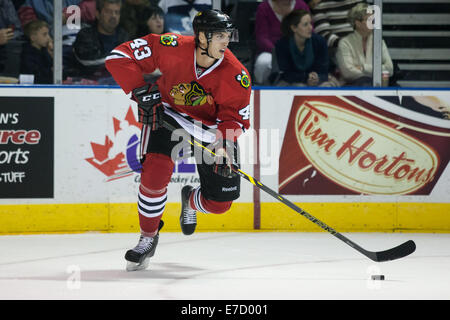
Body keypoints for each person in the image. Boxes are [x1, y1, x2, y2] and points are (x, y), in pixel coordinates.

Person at [105, 10, 251, 271]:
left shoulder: (236, 75)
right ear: (201, 37)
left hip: (209, 130)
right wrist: (139, 89)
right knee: (153, 175)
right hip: (168, 118)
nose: (225, 41)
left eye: (227, 35)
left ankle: (191, 200)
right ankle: (147, 238)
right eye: (219, 35)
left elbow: (235, 120)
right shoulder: (171, 46)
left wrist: (225, 144)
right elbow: (118, 57)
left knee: (219, 205)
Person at [335, 2, 393, 86]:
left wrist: (363, 68)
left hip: (376, 83)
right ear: (358, 23)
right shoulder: (345, 43)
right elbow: (348, 73)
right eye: (369, 20)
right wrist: (376, 72)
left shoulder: (378, 41)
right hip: (352, 87)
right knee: (365, 83)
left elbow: (389, 69)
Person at [273, 10, 336, 86]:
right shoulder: (282, 45)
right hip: (291, 81)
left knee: (327, 86)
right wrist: (306, 78)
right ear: (294, 28)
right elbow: (285, 73)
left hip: (318, 80)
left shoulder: (319, 41)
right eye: (305, 24)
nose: (310, 27)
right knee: (299, 87)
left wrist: (316, 77)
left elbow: (324, 70)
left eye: (310, 23)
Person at [254, 0, 311, 84]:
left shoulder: (301, 5)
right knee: (263, 62)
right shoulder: (264, 7)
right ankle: (264, 89)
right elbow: (262, 38)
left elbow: (310, 30)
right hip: (271, 51)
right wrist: (279, 51)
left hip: (298, 49)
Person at [70, 0, 128, 83]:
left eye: (117, 12)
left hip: (118, 88)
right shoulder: (85, 35)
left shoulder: (124, 36)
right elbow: (88, 61)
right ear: (97, 14)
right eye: (108, 12)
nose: (113, 16)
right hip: (89, 88)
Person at [20, 19, 53, 84]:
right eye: (44, 34)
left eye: (48, 34)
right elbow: (36, 77)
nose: (48, 37)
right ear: (33, 38)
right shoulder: (27, 55)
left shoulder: (44, 51)